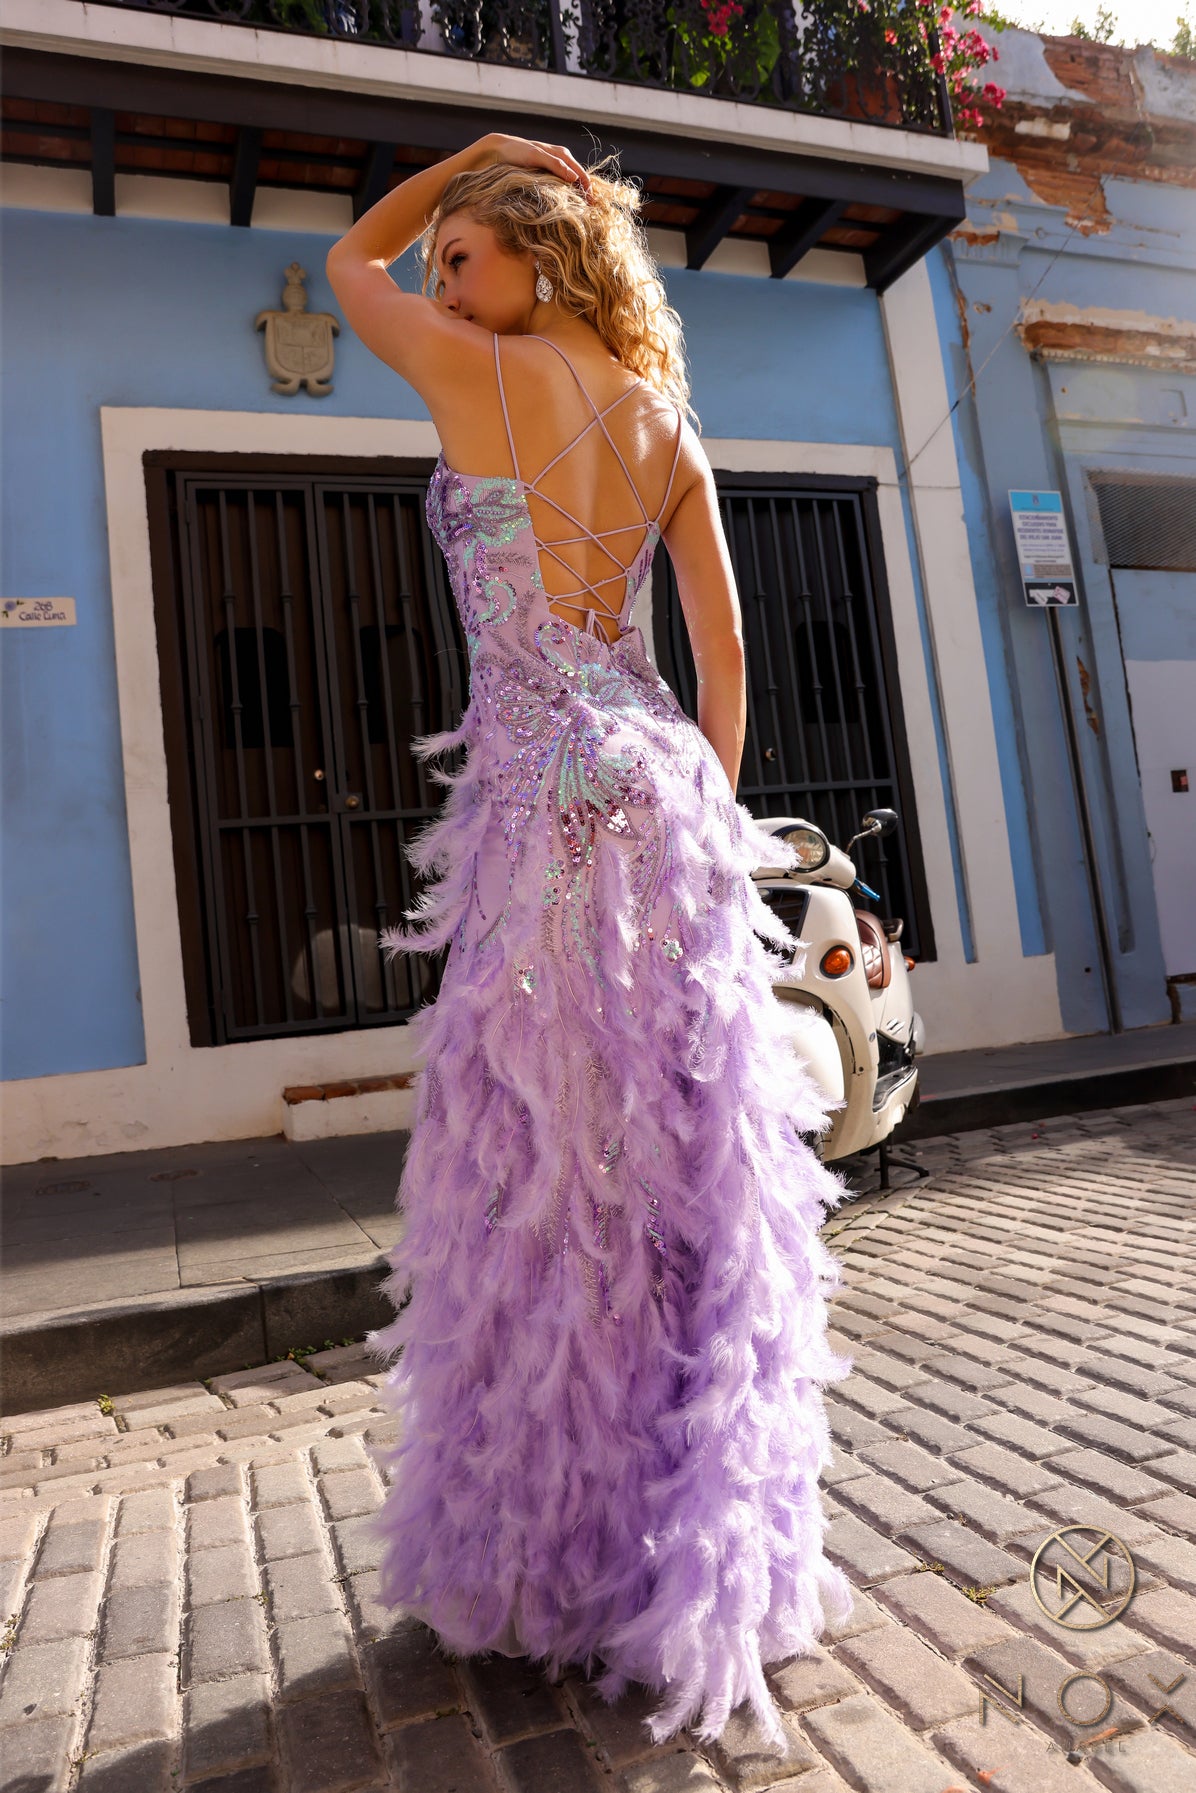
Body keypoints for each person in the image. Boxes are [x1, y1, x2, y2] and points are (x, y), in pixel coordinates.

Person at [325, 132, 852, 1753]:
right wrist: (707, 817)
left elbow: (345, 266)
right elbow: (730, 657)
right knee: (672, 1174)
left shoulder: (472, 373)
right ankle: (678, 1551)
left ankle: (549, 1564)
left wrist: (461, 158)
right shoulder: (662, 420)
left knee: (547, 1183)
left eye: (464, 258)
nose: (438, 284)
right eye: (444, 270)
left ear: (534, 261)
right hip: (663, 793)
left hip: (541, 800)